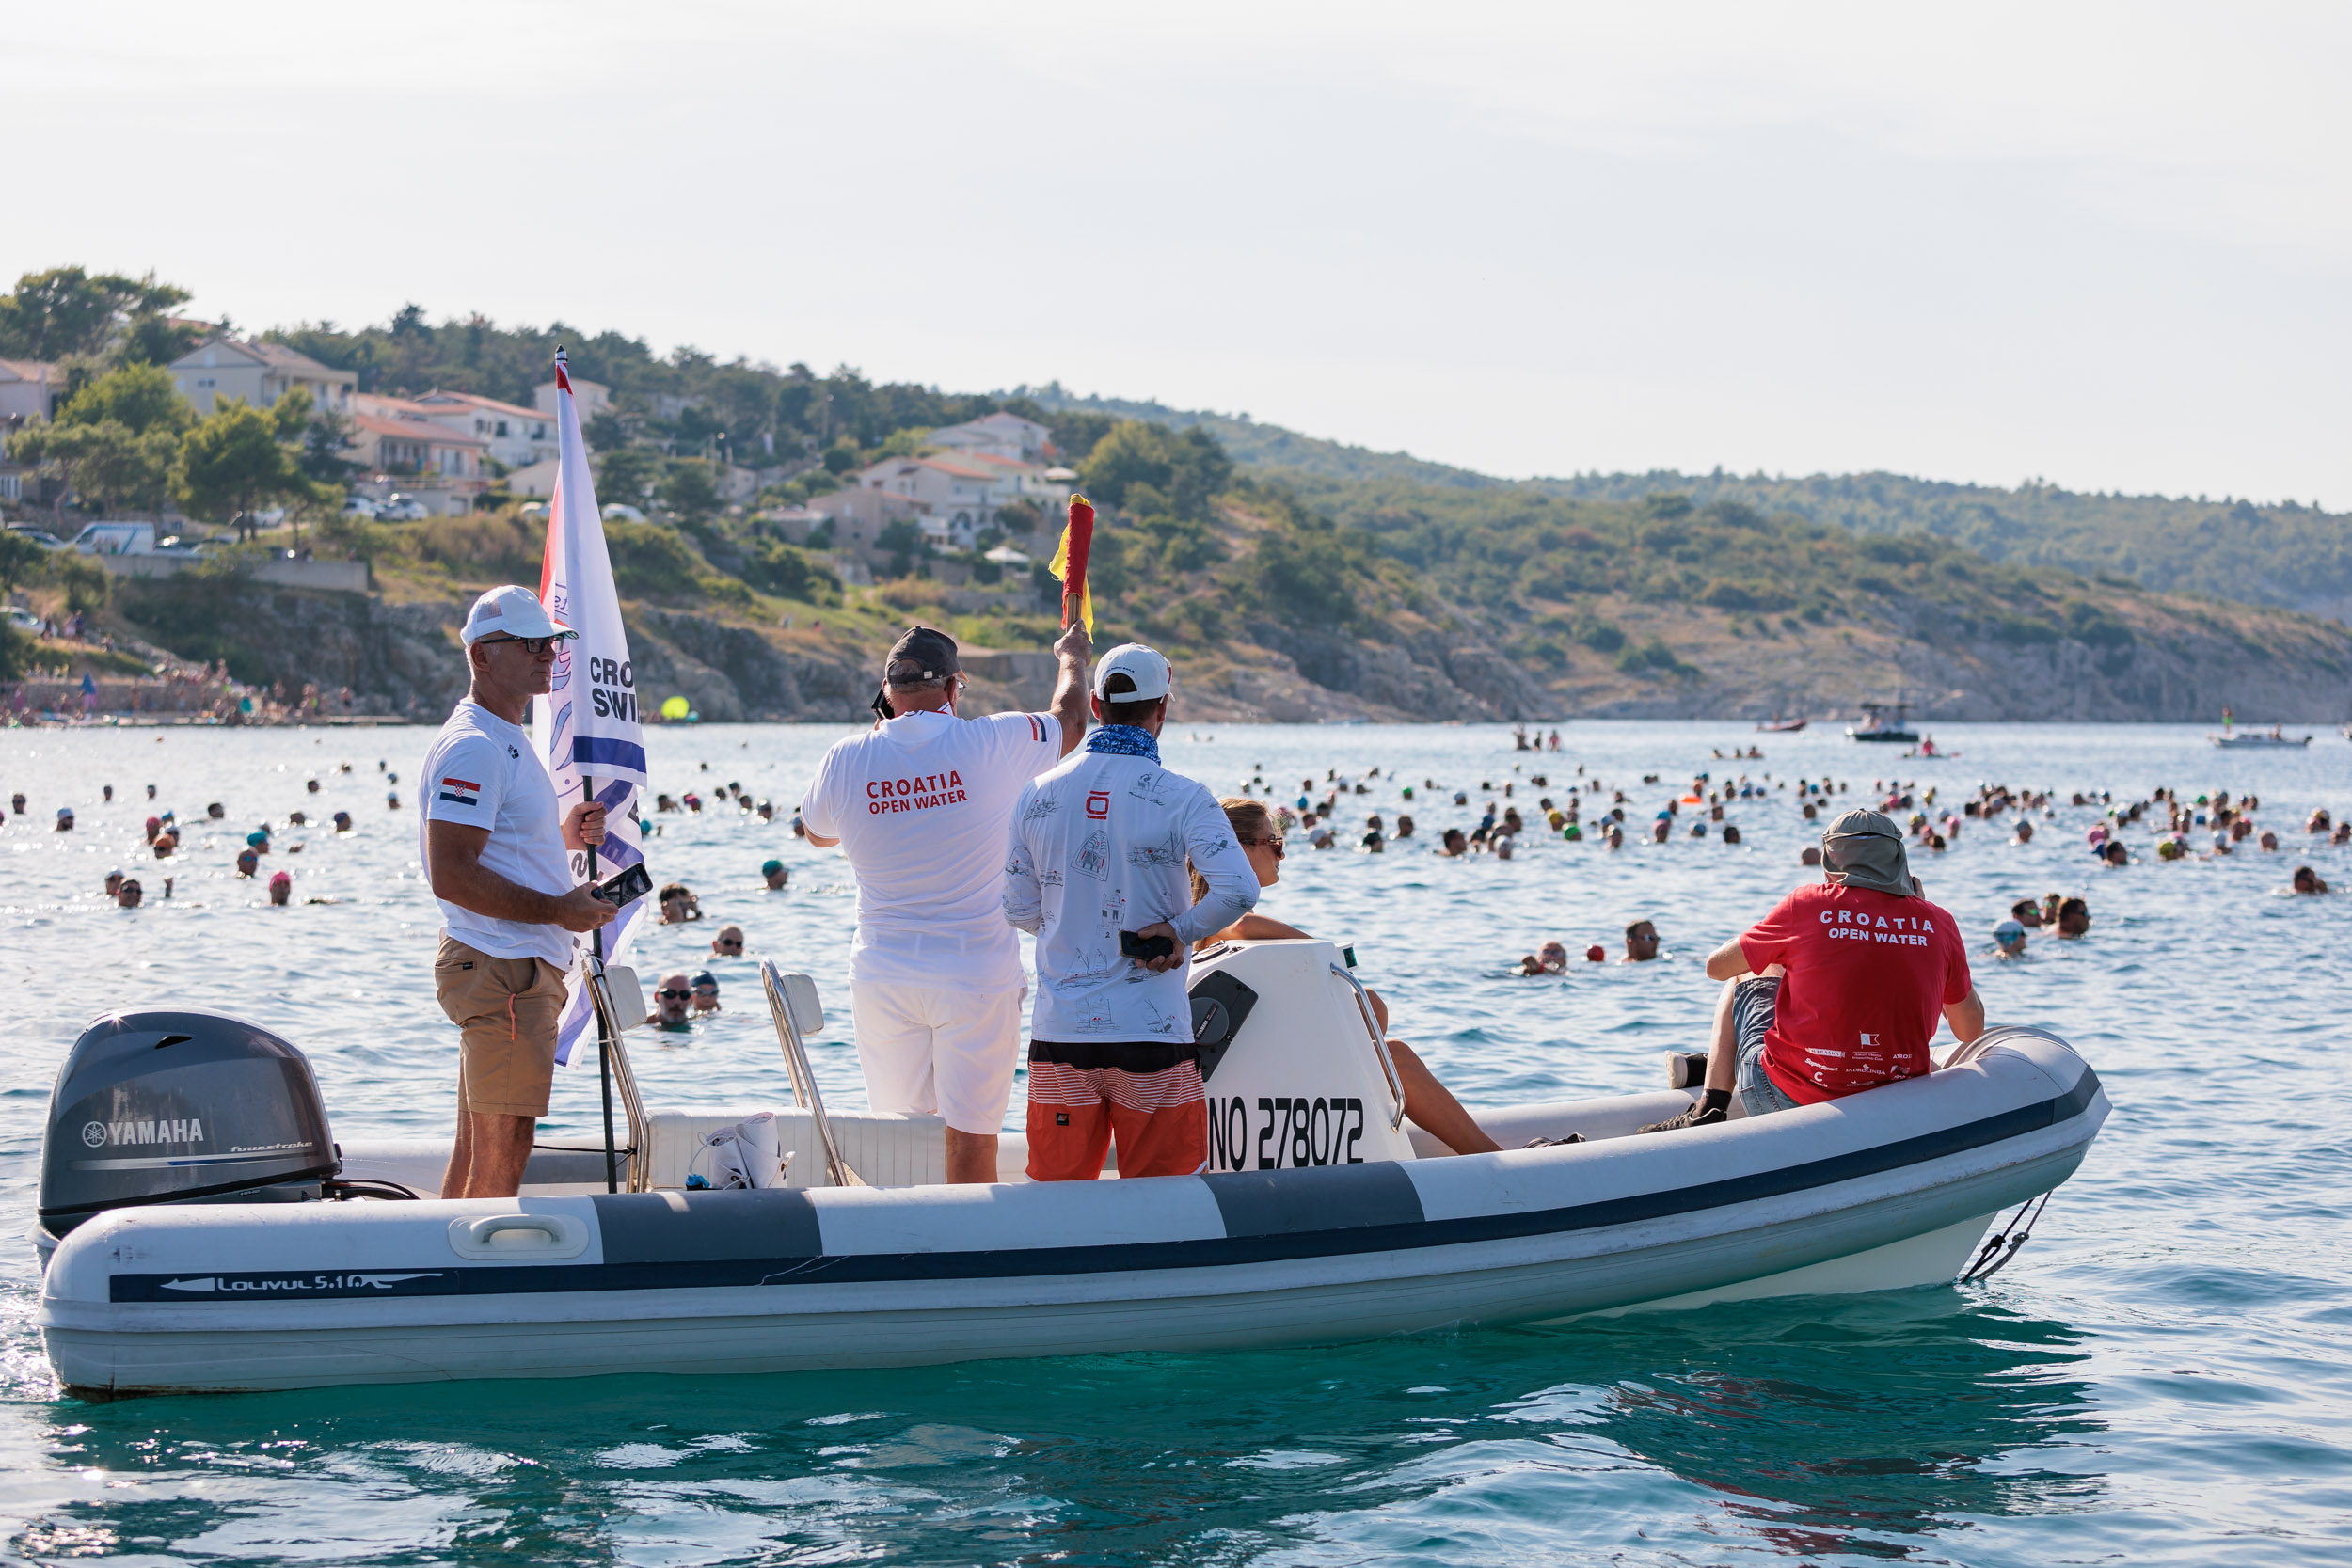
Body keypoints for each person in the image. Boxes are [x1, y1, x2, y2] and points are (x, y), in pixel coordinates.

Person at [802, 620, 1091, 1184]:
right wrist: (1073, 657)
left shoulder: (844, 758)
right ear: (954, 689)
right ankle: (969, 1259)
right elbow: (1072, 722)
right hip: (973, 974)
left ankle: (905, 1255)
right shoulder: (990, 741)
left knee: (897, 1139)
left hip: (883, 974)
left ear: (887, 692)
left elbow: (816, 833)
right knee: (971, 1137)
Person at [1005, 642, 1258, 1181]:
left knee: (1057, 1199)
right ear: (1162, 709)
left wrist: (1073, 923)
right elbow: (1239, 891)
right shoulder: (1184, 796)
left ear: (1095, 705)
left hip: (1062, 1035)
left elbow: (1017, 907)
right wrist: (1179, 930)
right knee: (1170, 1201)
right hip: (1153, 1035)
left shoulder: (1035, 793)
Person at [419, 585, 615, 1201]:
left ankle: (444, 1274)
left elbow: (494, 848)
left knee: (481, 1146)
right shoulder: (475, 745)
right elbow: (450, 872)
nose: (545, 654)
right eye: (529, 643)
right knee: (503, 1153)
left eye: (550, 643)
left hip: (506, 966)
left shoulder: (500, 736)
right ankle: (474, 1287)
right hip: (505, 970)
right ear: (481, 655)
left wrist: (561, 835)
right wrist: (561, 909)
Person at [1189, 797, 1502, 1154]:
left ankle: (1488, 1154)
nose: (1283, 855)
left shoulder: (1202, 920)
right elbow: (1240, 926)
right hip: (1258, 1085)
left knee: (1381, 1033)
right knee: (1393, 1054)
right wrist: (1321, 951)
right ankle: (1494, 1159)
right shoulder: (1229, 923)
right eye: (1275, 843)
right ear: (1240, 851)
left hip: (1249, 1078)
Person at [1645, 809, 1984, 1132]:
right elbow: (1969, 1030)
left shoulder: (1807, 905)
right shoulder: (1938, 922)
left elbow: (1716, 967)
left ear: (1829, 859)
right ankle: (1711, 1066)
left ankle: (1710, 1105)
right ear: (1899, 860)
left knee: (1747, 973)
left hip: (1784, 1100)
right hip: (1892, 1103)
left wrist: (1768, 937)